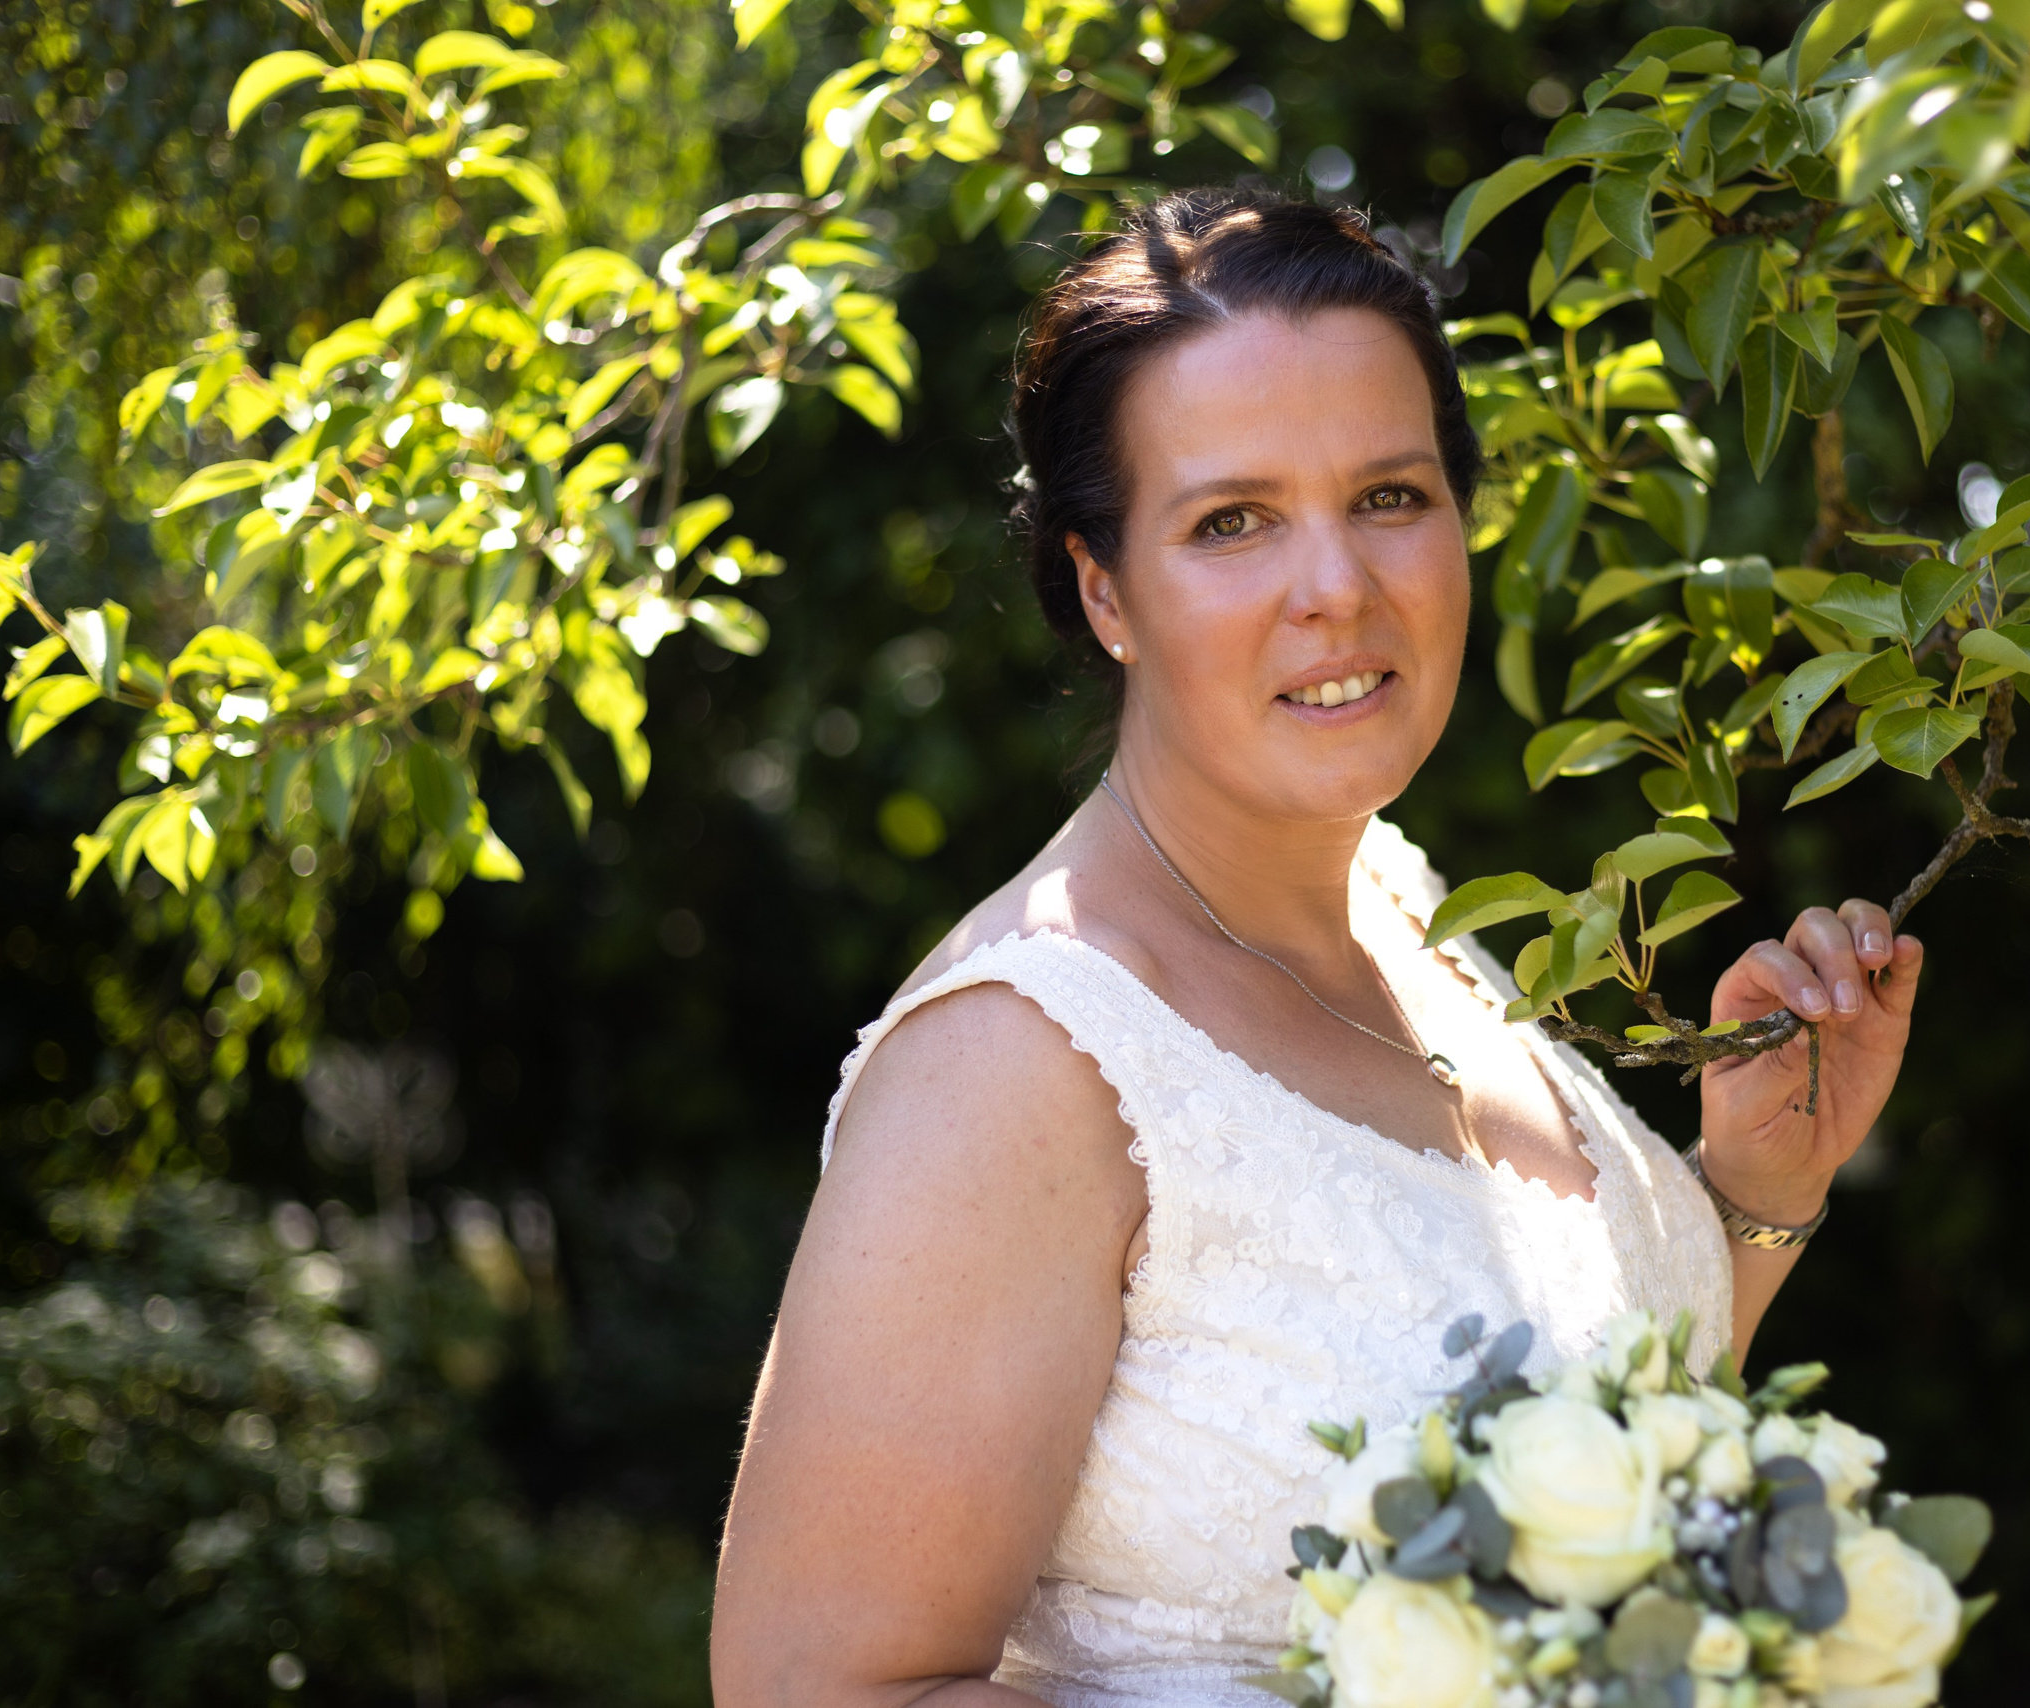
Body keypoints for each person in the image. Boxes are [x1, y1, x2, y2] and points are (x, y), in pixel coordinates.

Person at [710, 187, 1921, 1708]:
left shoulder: (1417, 914)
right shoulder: (1018, 1063)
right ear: (1106, 589)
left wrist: (1755, 1187)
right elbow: (820, 1690)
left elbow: (1567, 1485)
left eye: (1391, 497)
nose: (1336, 587)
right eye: (1234, 522)